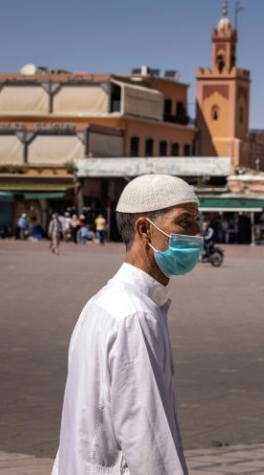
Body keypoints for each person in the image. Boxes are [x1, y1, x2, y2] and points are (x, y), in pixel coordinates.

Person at [52, 174, 202, 475]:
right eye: (185, 222)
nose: (197, 234)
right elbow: (148, 441)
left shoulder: (103, 303)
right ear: (144, 229)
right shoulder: (135, 317)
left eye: (197, 222)